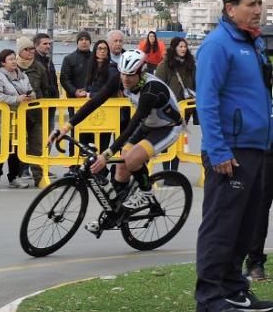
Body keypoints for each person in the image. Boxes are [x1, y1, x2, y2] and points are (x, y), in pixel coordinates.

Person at [193, 0, 273, 312]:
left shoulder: (251, 44)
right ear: (230, 8)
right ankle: (208, 301)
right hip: (230, 150)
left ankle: (232, 288)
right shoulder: (217, 45)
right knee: (221, 225)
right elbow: (207, 103)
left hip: (256, 147)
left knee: (245, 224)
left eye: (260, 3)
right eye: (251, 4)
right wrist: (218, 149)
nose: (258, 10)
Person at [49, 49, 184, 235]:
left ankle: (147, 193)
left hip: (167, 127)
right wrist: (65, 127)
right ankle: (115, 213)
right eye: (123, 74)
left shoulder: (151, 90)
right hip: (148, 124)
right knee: (121, 167)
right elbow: (94, 102)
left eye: (130, 75)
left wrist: (107, 154)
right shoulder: (120, 79)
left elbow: (132, 124)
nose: (125, 79)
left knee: (132, 159)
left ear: (141, 72)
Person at [0, 49, 34, 189]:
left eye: (15, 58)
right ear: (2, 63)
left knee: (17, 148)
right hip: (2, 119)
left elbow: (31, 90)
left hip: (19, 118)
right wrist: (16, 99)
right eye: (10, 59)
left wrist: (29, 96)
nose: (14, 61)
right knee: (1, 147)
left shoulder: (23, 76)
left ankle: (14, 177)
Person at [154, 36, 196, 171]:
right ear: (174, 48)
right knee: (168, 137)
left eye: (185, 46)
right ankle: (167, 170)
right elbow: (158, 85)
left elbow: (195, 82)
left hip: (185, 107)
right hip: (169, 108)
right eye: (180, 46)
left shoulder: (191, 64)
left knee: (178, 138)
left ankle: (174, 170)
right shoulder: (165, 65)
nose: (183, 49)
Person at [13, 37, 45, 186]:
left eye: (32, 49)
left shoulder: (39, 67)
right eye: (27, 49)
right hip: (16, 114)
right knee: (17, 145)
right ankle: (18, 175)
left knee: (37, 146)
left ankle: (39, 177)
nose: (31, 52)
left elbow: (47, 88)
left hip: (36, 113)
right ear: (20, 51)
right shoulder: (12, 67)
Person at [59, 31, 93, 100]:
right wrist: (75, 91)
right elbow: (64, 79)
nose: (84, 42)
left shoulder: (96, 58)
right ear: (77, 43)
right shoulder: (68, 59)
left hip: (93, 97)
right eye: (81, 40)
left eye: (86, 39)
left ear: (90, 42)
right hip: (74, 98)